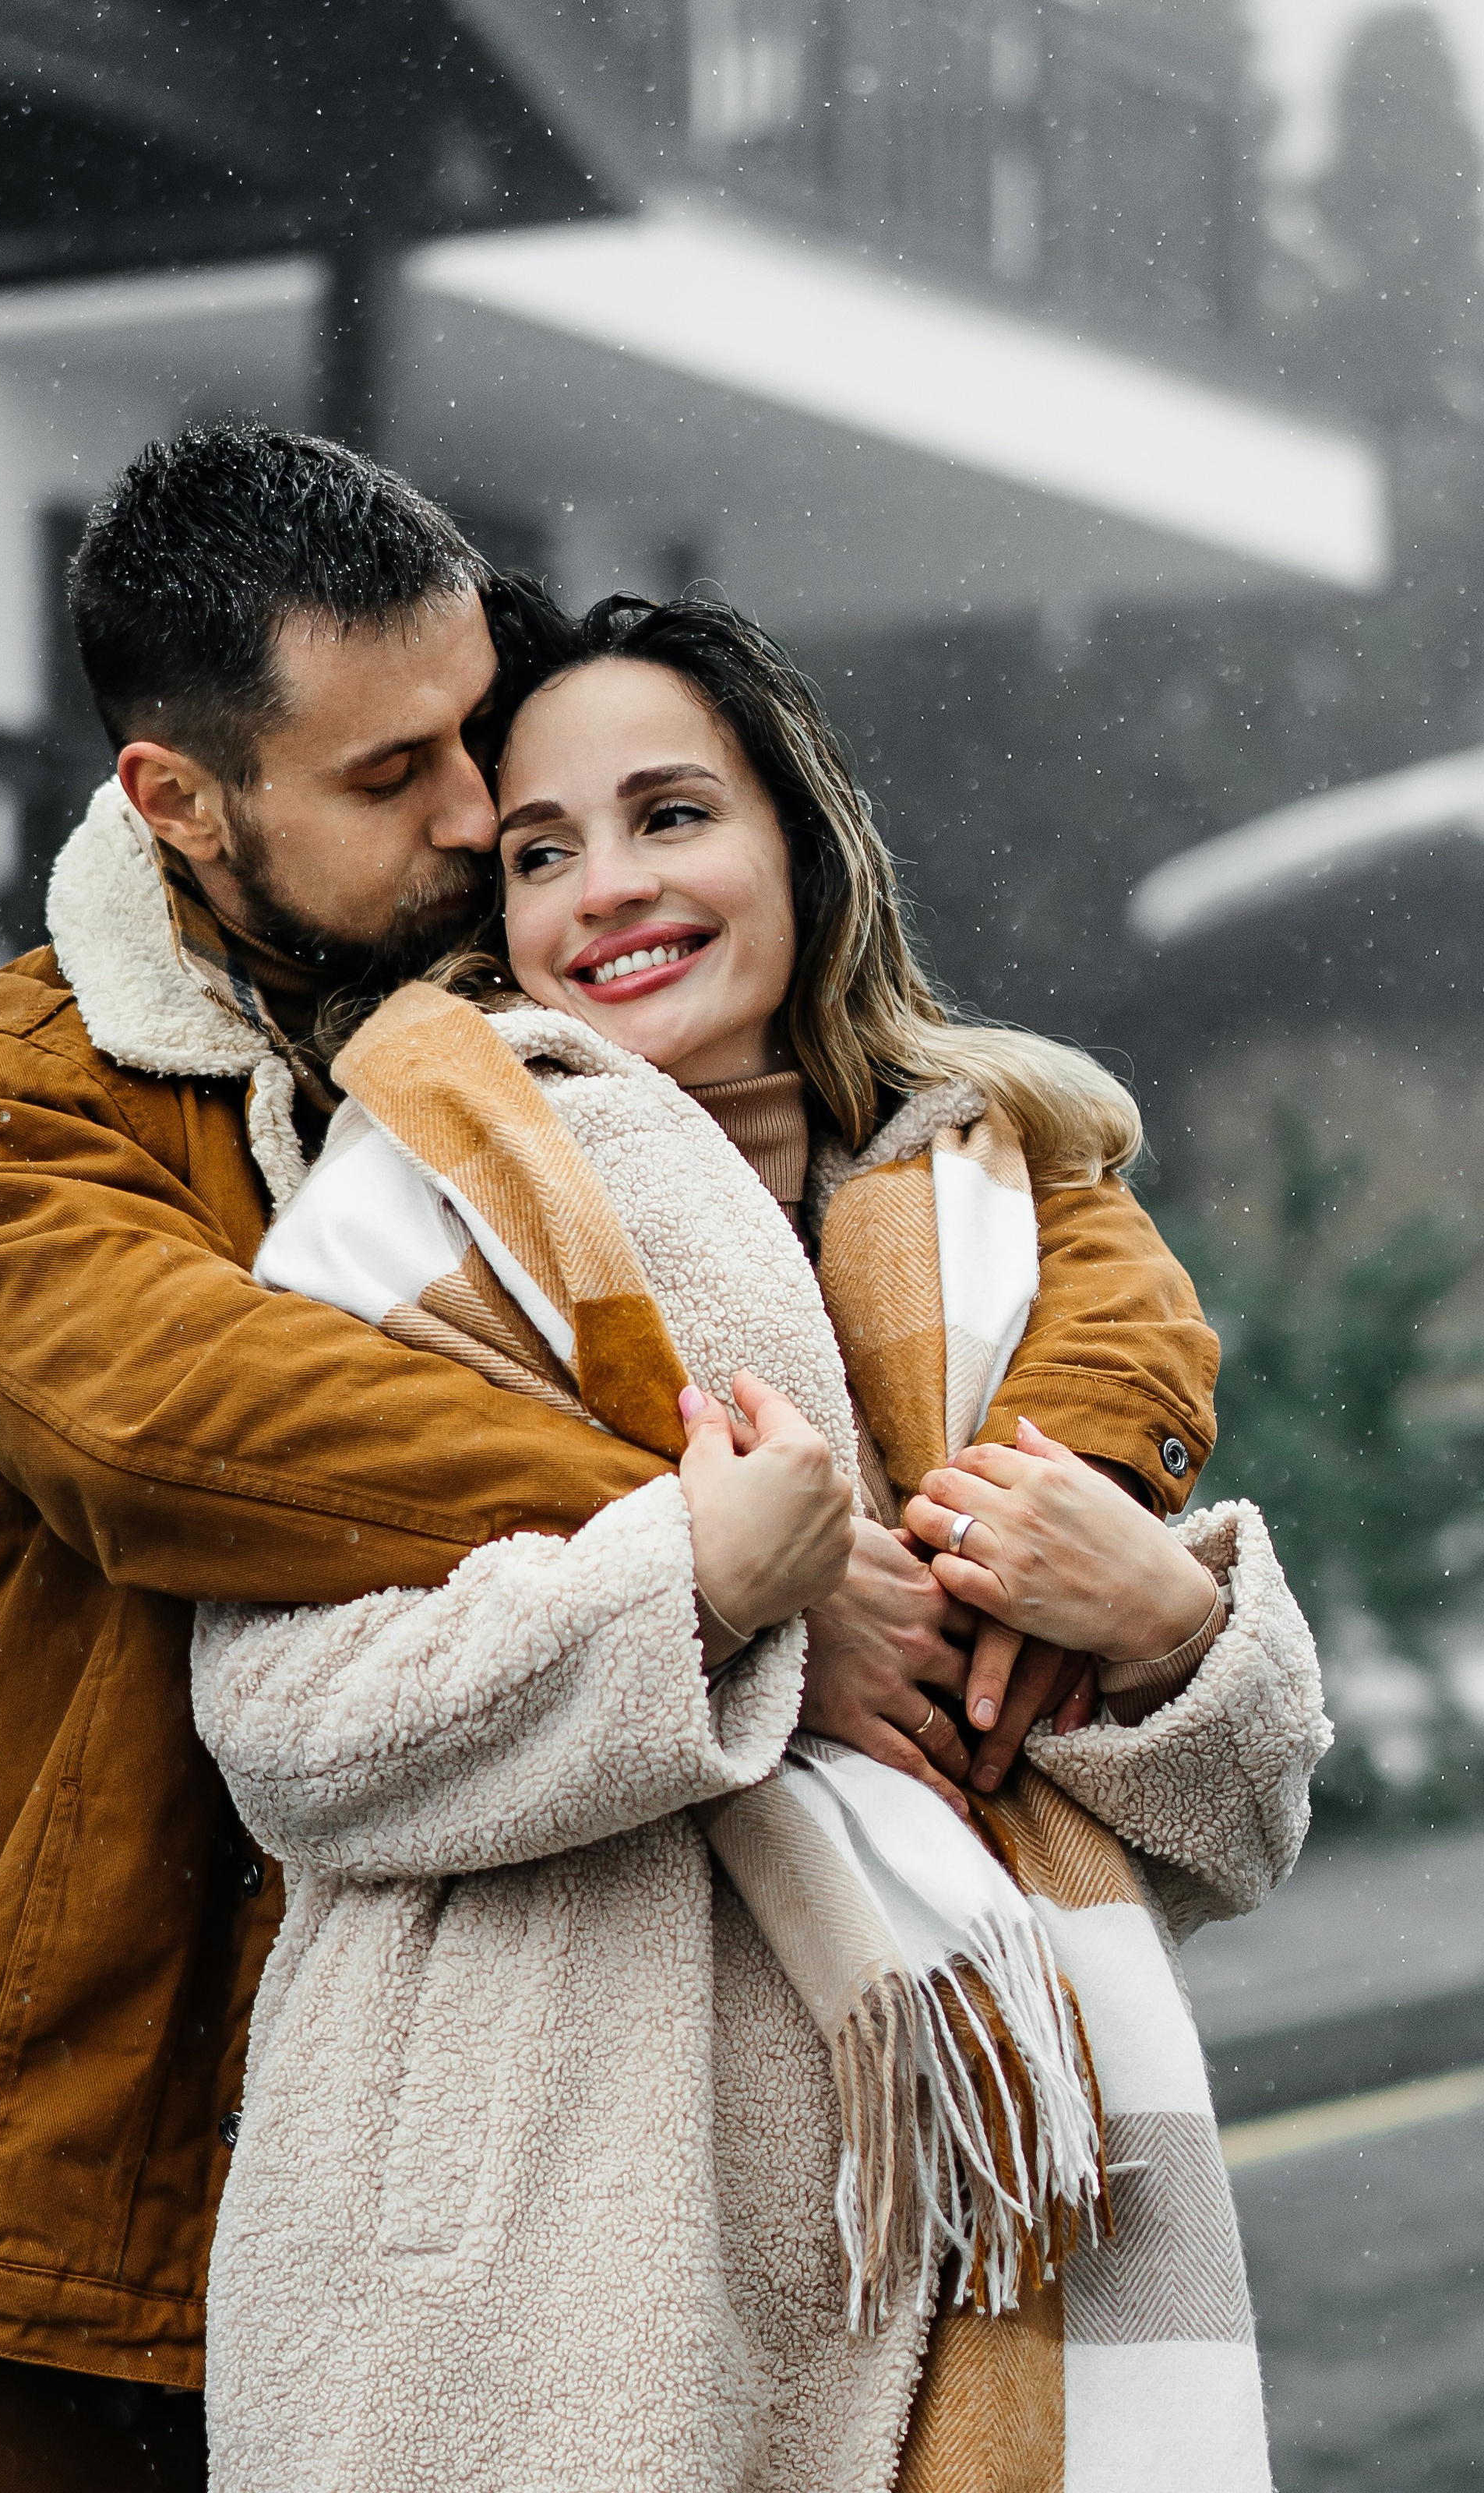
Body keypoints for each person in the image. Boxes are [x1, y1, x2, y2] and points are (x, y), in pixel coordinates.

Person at [0, 429, 1221, 2490]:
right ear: (181, 805)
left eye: (472, 734)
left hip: (556, 2169)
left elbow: (1014, 1185)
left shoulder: (552, 1009)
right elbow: (203, 1423)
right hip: (113, 2182)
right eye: (394, 777)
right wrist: (742, 1566)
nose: (483, 816)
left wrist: (1029, 1504)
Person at [192, 592, 1330, 2490]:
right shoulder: (411, 1214)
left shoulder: (1005, 1230)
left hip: (988, 2241)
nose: (605, 887)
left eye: (669, 814)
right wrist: (716, 1596)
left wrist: (1160, 1628)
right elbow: (289, 1726)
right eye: (540, 851)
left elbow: (1231, 1824)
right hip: (549, 2273)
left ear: (795, 841)